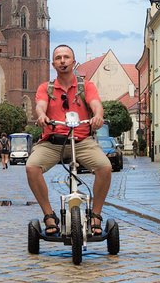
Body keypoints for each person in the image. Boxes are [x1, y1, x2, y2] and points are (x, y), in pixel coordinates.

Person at [28, 45, 111, 236]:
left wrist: (98, 116)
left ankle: (96, 215)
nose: (62, 60)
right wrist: (41, 115)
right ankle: (49, 215)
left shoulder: (86, 86)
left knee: (105, 167)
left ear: (73, 62)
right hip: (53, 141)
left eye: (66, 57)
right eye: (58, 58)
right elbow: (40, 106)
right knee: (32, 167)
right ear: (53, 64)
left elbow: (96, 104)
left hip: (82, 140)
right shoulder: (46, 88)